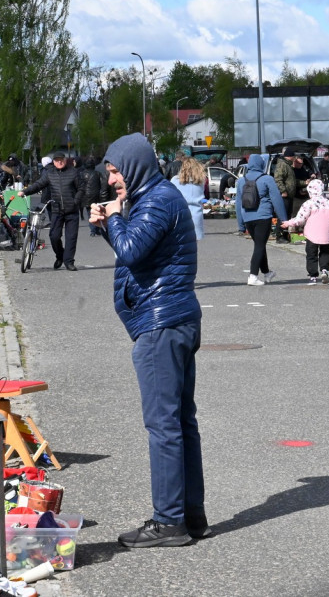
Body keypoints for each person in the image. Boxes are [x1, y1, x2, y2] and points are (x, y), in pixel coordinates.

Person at [88, 131, 208, 548]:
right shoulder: (156, 197)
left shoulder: (157, 199)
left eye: (116, 170)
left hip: (161, 325)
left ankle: (169, 520)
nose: (112, 180)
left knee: (164, 425)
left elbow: (133, 250)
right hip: (173, 319)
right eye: (109, 173)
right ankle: (191, 515)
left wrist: (114, 215)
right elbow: (136, 251)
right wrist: (108, 225)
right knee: (180, 421)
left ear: (135, 165)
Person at [21, 152, 83, 270]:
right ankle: (60, 256)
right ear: (53, 162)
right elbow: (39, 185)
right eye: (57, 160)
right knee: (54, 236)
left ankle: (69, 261)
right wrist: (25, 192)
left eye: (61, 160)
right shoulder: (50, 173)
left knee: (71, 238)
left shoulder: (73, 172)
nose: (59, 162)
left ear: (65, 160)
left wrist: (76, 201)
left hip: (72, 210)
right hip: (57, 210)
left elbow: (81, 188)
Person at [236, 154, 288, 286]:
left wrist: (241, 224)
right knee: (259, 246)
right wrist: (283, 219)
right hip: (263, 217)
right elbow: (277, 200)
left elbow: (237, 203)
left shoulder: (241, 181)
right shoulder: (267, 179)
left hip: (248, 218)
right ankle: (252, 276)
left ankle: (267, 273)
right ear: (261, 164)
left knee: (260, 244)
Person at [281, 179, 329, 284]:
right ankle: (324, 270)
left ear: (310, 191)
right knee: (325, 253)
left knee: (311, 255)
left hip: (312, 235)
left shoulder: (308, 204)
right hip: (326, 235)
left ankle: (313, 276)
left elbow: (300, 219)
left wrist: (288, 223)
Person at [170, 156, 207, 240]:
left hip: (181, 216)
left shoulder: (175, 180)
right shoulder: (201, 181)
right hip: (196, 216)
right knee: (193, 246)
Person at [273, 149, 299, 242]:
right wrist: (283, 191)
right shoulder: (282, 165)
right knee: (282, 216)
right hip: (284, 196)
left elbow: (291, 181)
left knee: (287, 216)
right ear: (290, 156)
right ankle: (279, 236)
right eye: (294, 156)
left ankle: (284, 235)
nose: (295, 158)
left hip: (289, 196)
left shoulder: (288, 165)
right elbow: (278, 179)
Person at [82, 156, 103, 236]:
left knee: (89, 213)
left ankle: (93, 230)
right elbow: (102, 184)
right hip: (96, 195)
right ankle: (96, 229)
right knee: (97, 211)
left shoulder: (82, 174)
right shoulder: (97, 174)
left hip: (86, 196)